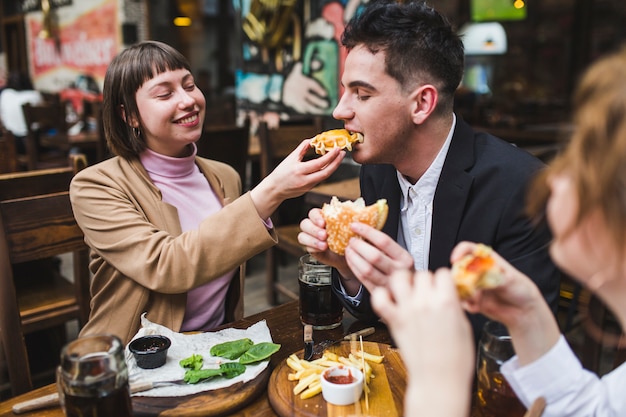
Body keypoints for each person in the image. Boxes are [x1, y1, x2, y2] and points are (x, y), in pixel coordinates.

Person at [372, 44, 626, 416]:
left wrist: (438, 385)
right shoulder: (380, 169)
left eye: (582, 158)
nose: (555, 177)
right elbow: (593, 408)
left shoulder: (516, 180)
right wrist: (527, 317)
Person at [297, 0, 561, 344]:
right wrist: (348, 269)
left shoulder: (522, 188)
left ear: (422, 104)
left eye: (361, 94)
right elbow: (374, 311)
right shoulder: (377, 170)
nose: (339, 110)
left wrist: (416, 296)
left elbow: (523, 341)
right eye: (345, 90)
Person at [69, 41, 345, 344]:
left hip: (215, 351)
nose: (188, 100)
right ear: (129, 115)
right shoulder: (96, 186)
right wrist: (271, 190)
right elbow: (167, 266)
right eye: (165, 93)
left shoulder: (224, 176)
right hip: (133, 362)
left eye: (190, 85)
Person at [0, 70, 44, 153]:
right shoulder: (34, 95)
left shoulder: (5, 94)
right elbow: (44, 119)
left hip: (12, 143)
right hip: (34, 143)